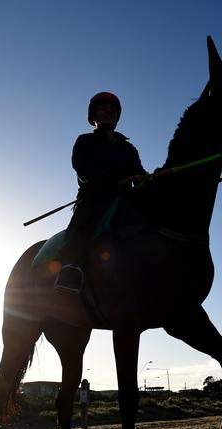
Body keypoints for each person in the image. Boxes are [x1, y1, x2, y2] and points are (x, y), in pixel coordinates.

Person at [55, 92, 146, 293]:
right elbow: (82, 169)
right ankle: (71, 267)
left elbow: (139, 174)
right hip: (94, 197)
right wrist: (110, 180)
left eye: (113, 110)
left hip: (125, 198)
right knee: (88, 216)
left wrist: (147, 180)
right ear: (93, 117)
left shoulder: (128, 148)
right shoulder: (85, 141)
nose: (109, 113)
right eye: (103, 110)